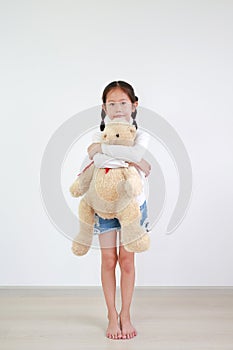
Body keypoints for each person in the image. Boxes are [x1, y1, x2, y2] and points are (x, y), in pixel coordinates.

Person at [87, 81, 151, 340]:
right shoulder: (97, 134)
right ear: (104, 108)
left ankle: (126, 314)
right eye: (111, 104)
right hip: (104, 205)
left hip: (133, 205)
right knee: (108, 260)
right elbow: (98, 159)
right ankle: (111, 315)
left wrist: (127, 154)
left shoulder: (141, 135)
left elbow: (129, 151)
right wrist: (136, 159)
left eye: (123, 103)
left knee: (126, 261)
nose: (117, 109)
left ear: (134, 106)